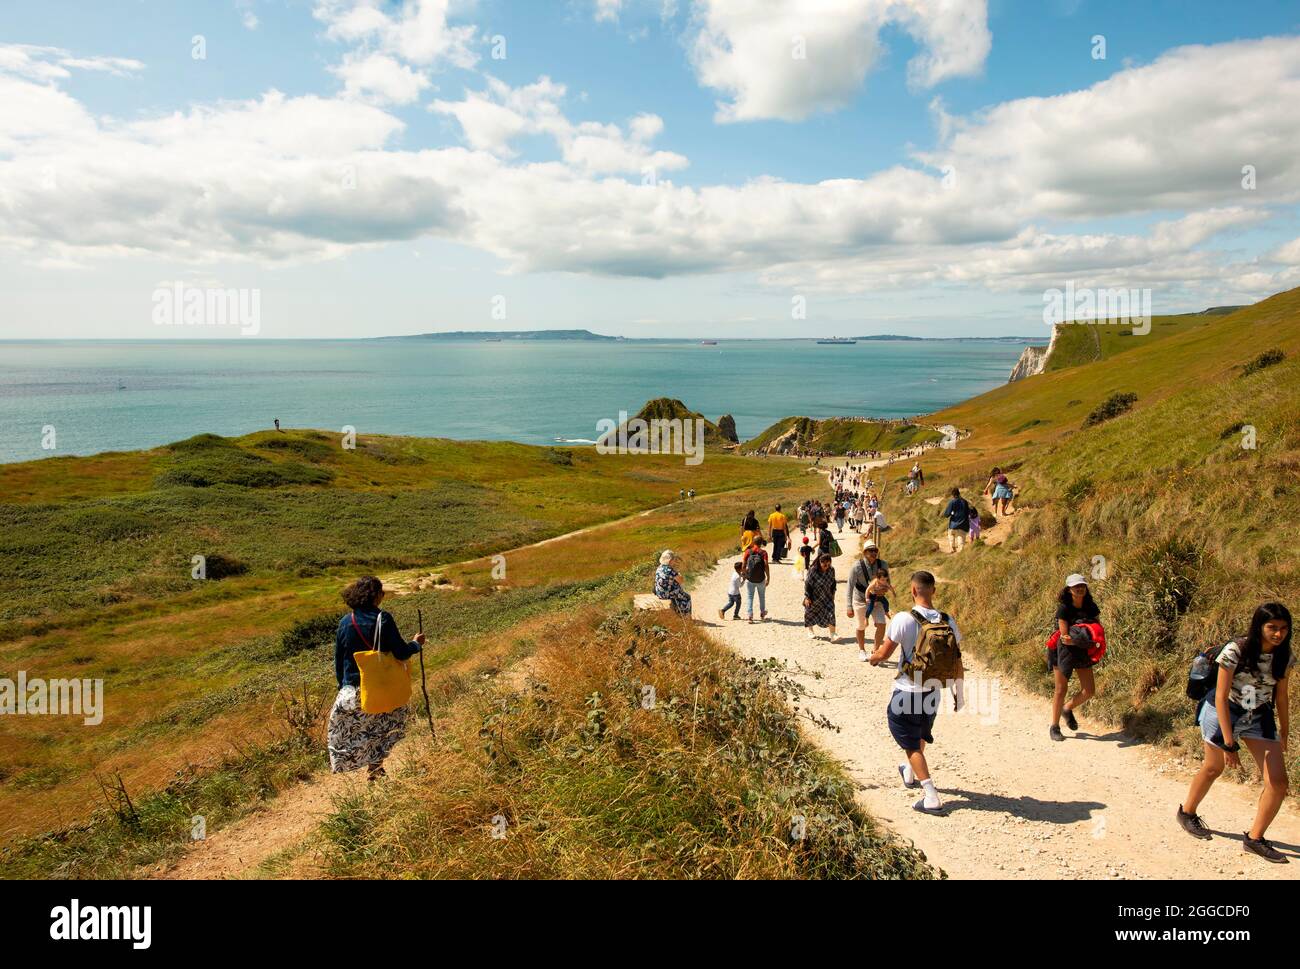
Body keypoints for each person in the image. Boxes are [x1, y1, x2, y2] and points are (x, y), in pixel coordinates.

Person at [1178, 603, 1293, 863]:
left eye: (1283, 628)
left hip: (1258, 714)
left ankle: (1255, 838)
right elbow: (1220, 696)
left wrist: (1284, 730)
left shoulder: (1285, 655)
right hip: (1223, 710)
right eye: (1272, 628)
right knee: (1213, 767)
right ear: (1259, 626)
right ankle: (1187, 812)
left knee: (1278, 782)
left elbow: (1282, 696)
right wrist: (1229, 743)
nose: (1278, 634)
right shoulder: (1236, 650)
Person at [870, 570, 964, 814]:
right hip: (933, 691)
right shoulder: (947, 620)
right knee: (920, 731)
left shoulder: (903, 619)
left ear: (913, 590)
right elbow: (957, 660)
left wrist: (872, 658)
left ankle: (930, 794)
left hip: (907, 691)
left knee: (909, 741)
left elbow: (884, 654)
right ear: (933, 590)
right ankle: (909, 772)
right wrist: (959, 693)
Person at [329, 575, 425, 782]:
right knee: (381, 727)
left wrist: (343, 686)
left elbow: (339, 658)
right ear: (376, 595)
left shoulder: (345, 622)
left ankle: (358, 766)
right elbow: (400, 653)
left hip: (353, 688)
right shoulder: (383, 618)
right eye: (382, 592)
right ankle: (375, 767)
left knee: (356, 729)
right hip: (379, 686)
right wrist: (416, 644)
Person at [1049, 574, 1100, 741]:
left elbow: (1098, 630)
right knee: (1061, 689)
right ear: (1069, 589)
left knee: (1089, 690)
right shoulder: (1064, 608)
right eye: (1076, 586)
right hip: (1063, 651)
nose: (1080, 588)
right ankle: (1054, 727)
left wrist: (1088, 639)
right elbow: (1065, 639)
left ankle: (1067, 709)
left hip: (1082, 651)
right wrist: (1086, 639)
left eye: (1082, 585)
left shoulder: (1091, 606)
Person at [846, 539, 890, 662]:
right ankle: (862, 650)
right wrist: (849, 606)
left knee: (882, 624)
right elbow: (849, 586)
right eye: (870, 550)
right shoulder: (856, 566)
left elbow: (887, 582)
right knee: (861, 626)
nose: (873, 553)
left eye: (875, 550)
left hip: (878, 600)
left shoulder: (883, 565)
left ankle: (875, 651)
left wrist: (884, 591)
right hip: (860, 598)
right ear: (864, 552)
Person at [803, 552, 838, 641]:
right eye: (824, 563)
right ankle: (810, 631)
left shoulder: (831, 570)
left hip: (827, 596)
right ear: (820, 562)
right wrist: (807, 597)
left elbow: (833, 582)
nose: (826, 565)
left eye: (828, 563)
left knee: (831, 612)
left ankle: (833, 634)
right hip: (814, 596)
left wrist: (833, 593)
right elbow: (808, 584)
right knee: (810, 613)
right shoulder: (813, 570)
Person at [654, 550, 693, 615]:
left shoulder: (659, 567)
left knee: (679, 592)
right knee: (687, 597)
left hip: (659, 592)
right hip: (666, 594)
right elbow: (681, 581)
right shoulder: (669, 570)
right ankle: (686, 616)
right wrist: (679, 574)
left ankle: (679, 613)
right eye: (673, 559)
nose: (674, 561)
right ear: (670, 560)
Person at [742, 536, 770, 622]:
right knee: (762, 597)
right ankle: (762, 614)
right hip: (761, 578)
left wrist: (745, 575)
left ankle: (750, 616)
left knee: (750, 597)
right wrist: (768, 577)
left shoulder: (748, 551)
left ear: (753, 542)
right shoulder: (763, 553)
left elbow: (743, 565)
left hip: (750, 579)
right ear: (761, 543)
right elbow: (766, 565)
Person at [940, 487, 972, 553]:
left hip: (953, 525)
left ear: (952, 495)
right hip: (963, 524)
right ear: (959, 493)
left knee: (951, 534)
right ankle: (960, 552)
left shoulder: (952, 502)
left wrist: (951, 513)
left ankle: (952, 548)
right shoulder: (965, 501)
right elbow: (969, 512)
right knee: (961, 538)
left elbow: (946, 514)